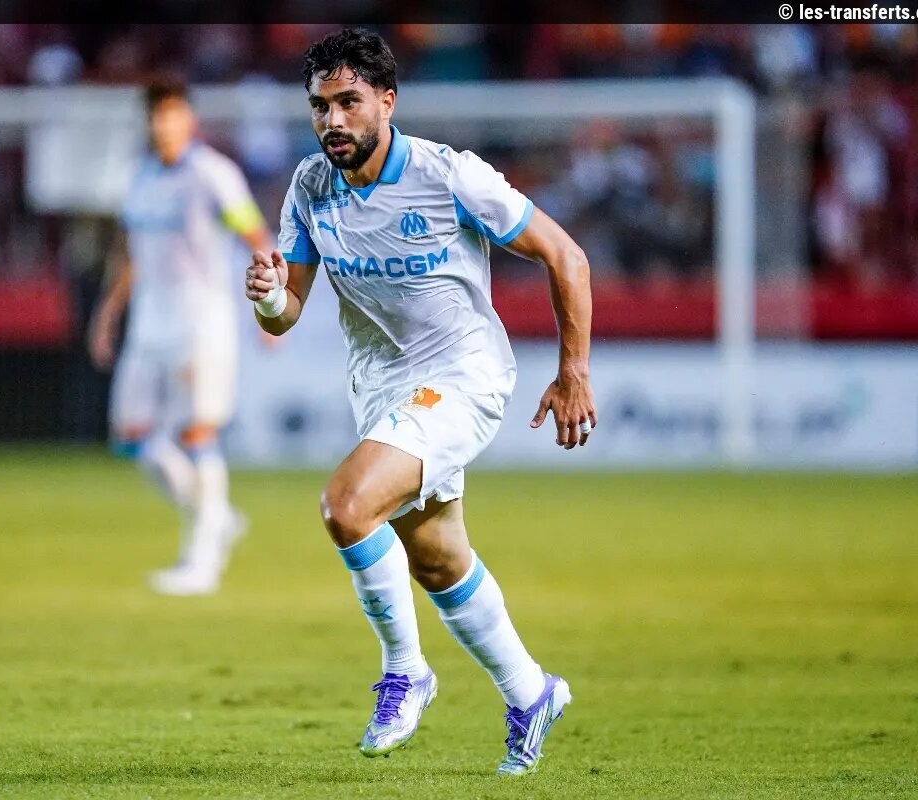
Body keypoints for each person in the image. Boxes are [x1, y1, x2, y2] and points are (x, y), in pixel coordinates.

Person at [245, 29, 597, 777]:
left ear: (387, 101)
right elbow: (285, 314)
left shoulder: (449, 175)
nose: (333, 120)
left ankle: (405, 672)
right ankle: (531, 691)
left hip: (463, 376)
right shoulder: (310, 186)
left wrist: (574, 373)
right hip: (381, 388)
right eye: (320, 106)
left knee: (347, 506)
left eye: (349, 102)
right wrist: (271, 295)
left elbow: (566, 255)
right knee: (436, 559)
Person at [90, 77, 271, 596]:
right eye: (157, 116)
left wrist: (271, 308)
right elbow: (131, 255)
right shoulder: (140, 176)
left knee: (197, 434)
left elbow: (255, 235)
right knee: (132, 438)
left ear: (188, 119)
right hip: (149, 323)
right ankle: (218, 517)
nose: (164, 124)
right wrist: (107, 314)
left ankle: (203, 563)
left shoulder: (213, 174)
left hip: (201, 321)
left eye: (172, 114)